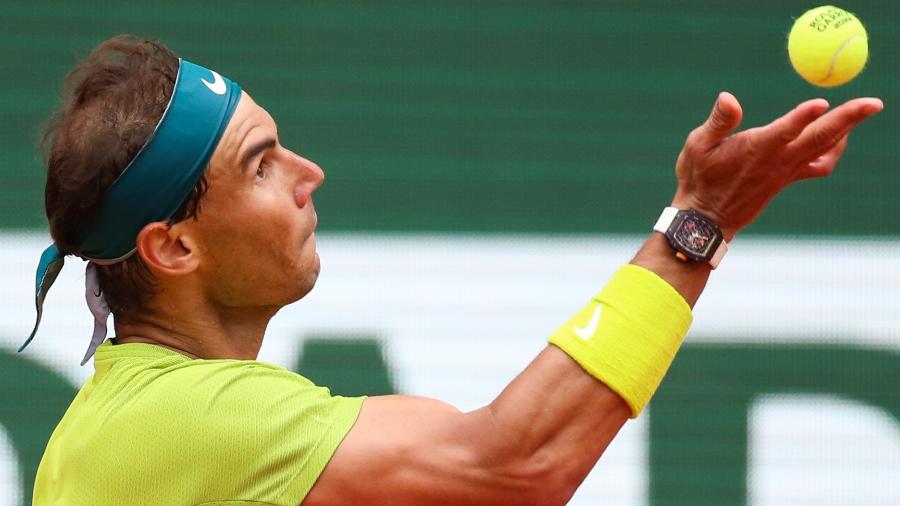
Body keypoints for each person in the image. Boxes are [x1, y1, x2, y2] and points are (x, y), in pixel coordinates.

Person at [24, 34, 882, 505]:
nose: (307, 173)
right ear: (174, 246)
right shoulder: (189, 422)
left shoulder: (126, 423)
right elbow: (513, 465)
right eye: (260, 164)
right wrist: (699, 223)